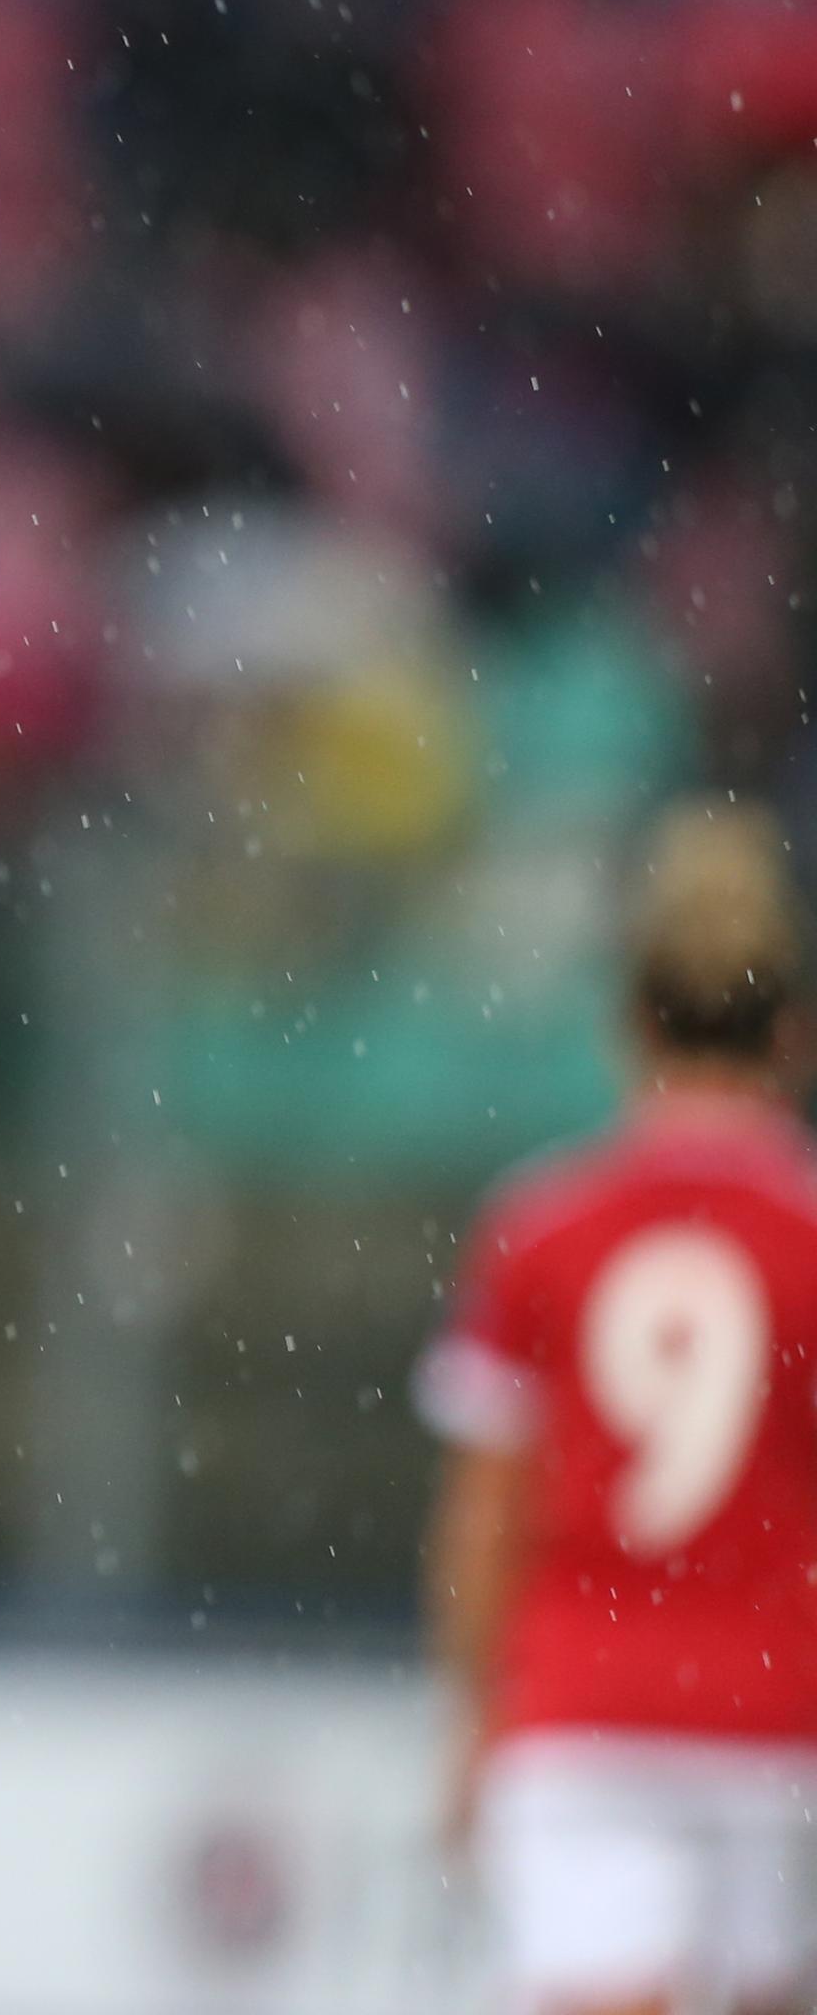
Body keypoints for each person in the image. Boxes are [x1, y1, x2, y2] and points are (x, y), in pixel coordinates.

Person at [419, 801, 817, 2015]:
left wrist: (470, 1722)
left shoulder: (540, 1230)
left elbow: (486, 1516)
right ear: (792, 1032)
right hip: (781, 1711)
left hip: (586, 1704)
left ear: (628, 1020)